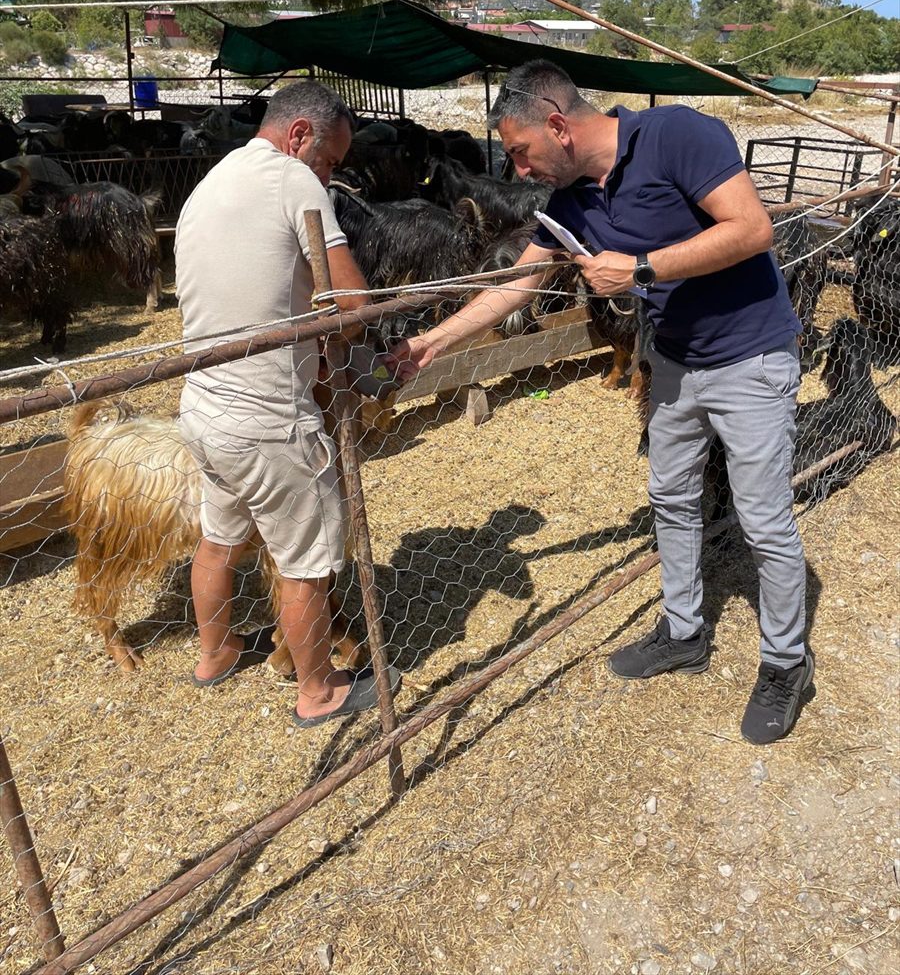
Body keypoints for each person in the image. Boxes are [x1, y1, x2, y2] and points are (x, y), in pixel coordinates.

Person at [390, 59, 812, 745]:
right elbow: (517, 286)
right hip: (673, 359)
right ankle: (683, 629)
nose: (518, 171)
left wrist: (643, 267)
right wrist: (431, 344)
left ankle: (787, 663)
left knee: (764, 518)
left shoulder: (679, 135)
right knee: (671, 496)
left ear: (558, 125)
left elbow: (752, 229)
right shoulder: (570, 202)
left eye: (521, 152)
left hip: (749, 356)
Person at [176, 82, 400, 728]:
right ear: (299, 135)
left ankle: (215, 654)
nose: (330, 174)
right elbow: (352, 304)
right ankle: (319, 690)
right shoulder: (293, 181)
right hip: (268, 419)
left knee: (218, 540)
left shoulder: (208, 183)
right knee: (304, 562)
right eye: (330, 160)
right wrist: (343, 338)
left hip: (204, 407)